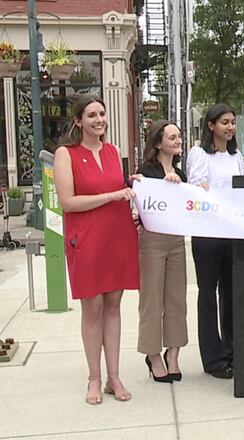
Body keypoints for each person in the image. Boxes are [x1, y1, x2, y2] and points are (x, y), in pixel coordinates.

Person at [53, 95, 139, 404]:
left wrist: (136, 182)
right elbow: (68, 202)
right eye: (91, 115)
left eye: (102, 113)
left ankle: (114, 377)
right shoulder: (66, 154)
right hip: (87, 236)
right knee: (92, 307)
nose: (99, 119)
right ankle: (94, 377)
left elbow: (122, 185)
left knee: (114, 305)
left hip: (118, 234)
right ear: (78, 121)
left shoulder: (114, 150)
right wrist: (110, 196)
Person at [187, 103, 244, 379]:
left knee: (232, 292)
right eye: (224, 122)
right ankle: (213, 357)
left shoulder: (237, 157)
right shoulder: (199, 154)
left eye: (232, 122)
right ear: (211, 126)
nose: (230, 127)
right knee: (208, 293)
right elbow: (199, 188)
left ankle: (234, 349)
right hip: (208, 231)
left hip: (233, 230)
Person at [137, 120, 188, 383]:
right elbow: (141, 199)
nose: (177, 141)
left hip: (176, 239)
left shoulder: (182, 172)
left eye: (179, 136)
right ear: (158, 142)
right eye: (172, 137)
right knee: (152, 299)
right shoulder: (146, 171)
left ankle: (174, 354)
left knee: (177, 298)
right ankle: (153, 354)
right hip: (152, 239)